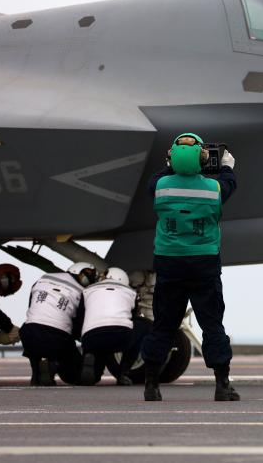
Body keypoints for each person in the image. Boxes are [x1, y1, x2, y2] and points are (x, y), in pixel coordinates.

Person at [141, 133, 238, 402]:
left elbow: (158, 178)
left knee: (163, 325)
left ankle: (151, 385)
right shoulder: (213, 189)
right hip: (204, 263)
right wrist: (226, 165)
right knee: (212, 325)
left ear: (171, 158)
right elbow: (229, 183)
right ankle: (222, 386)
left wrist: (171, 163)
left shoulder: (160, 186)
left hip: (169, 262)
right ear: (202, 158)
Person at [19, 262, 96, 386]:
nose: (89, 278)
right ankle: (53, 365)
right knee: (74, 374)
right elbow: (79, 323)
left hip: (29, 332)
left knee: (33, 336)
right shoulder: (82, 292)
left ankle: (36, 375)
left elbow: (31, 306)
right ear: (76, 271)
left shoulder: (42, 279)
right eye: (87, 275)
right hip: (58, 337)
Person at [79, 267, 138, 386]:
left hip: (91, 336)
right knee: (142, 329)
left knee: (95, 371)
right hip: (119, 334)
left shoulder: (87, 291)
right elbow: (134, 317)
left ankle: (90, 356)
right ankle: (123, 373)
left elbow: (80, 315)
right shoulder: (131, 293)